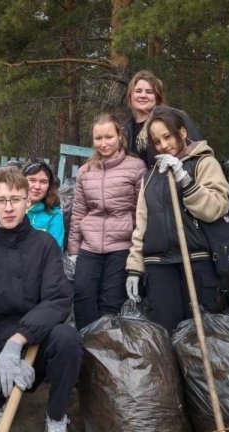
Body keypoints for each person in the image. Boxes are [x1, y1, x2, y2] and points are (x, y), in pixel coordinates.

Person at [0, 168, 81, 431]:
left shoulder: (44, 245)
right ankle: (1, 391)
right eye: (1, 200)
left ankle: (56, 416)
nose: (8, 208)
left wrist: (18, 341)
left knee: (68, 338)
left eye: (16, 199)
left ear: (27, 202)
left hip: (34, 341)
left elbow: (58, 298)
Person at [125, 109, 229, 333]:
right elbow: (141, 225)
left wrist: (185, 178)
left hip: (196, 262)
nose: (163, 145)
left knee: (199, 337)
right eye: (156, 141)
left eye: (167, 137)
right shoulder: (151, 175)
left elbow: (215, 208)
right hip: (159, 266)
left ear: (182, 133)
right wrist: (135, 268)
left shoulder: (204, 163)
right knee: (163, 335)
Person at [67, 114, 146, 330]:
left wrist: (140, 249)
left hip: (122, 244)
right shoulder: (86, 171)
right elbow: (79, 212)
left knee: (110, 301)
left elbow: (142, 212)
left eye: (109, 137)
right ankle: (84, 344)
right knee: (82, 295)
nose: (103, 143)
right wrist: (73, 251)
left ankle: (103, 349)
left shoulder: (136, 167)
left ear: (120, 135)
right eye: (98, 138)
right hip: (90, 245)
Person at [123, 70, 204, 168]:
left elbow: (197, 151)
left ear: (157, 97)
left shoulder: (175, 117)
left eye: (149, 92)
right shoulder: (125, 130)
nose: (143, 95)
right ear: (130, 95)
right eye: (138, 91)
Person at [22, 160, 65, 249]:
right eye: (32, 180)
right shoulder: (6, 207)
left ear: (49, 186)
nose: (37, 187)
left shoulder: (54, 216)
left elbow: (55, 253)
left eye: (43, 182)